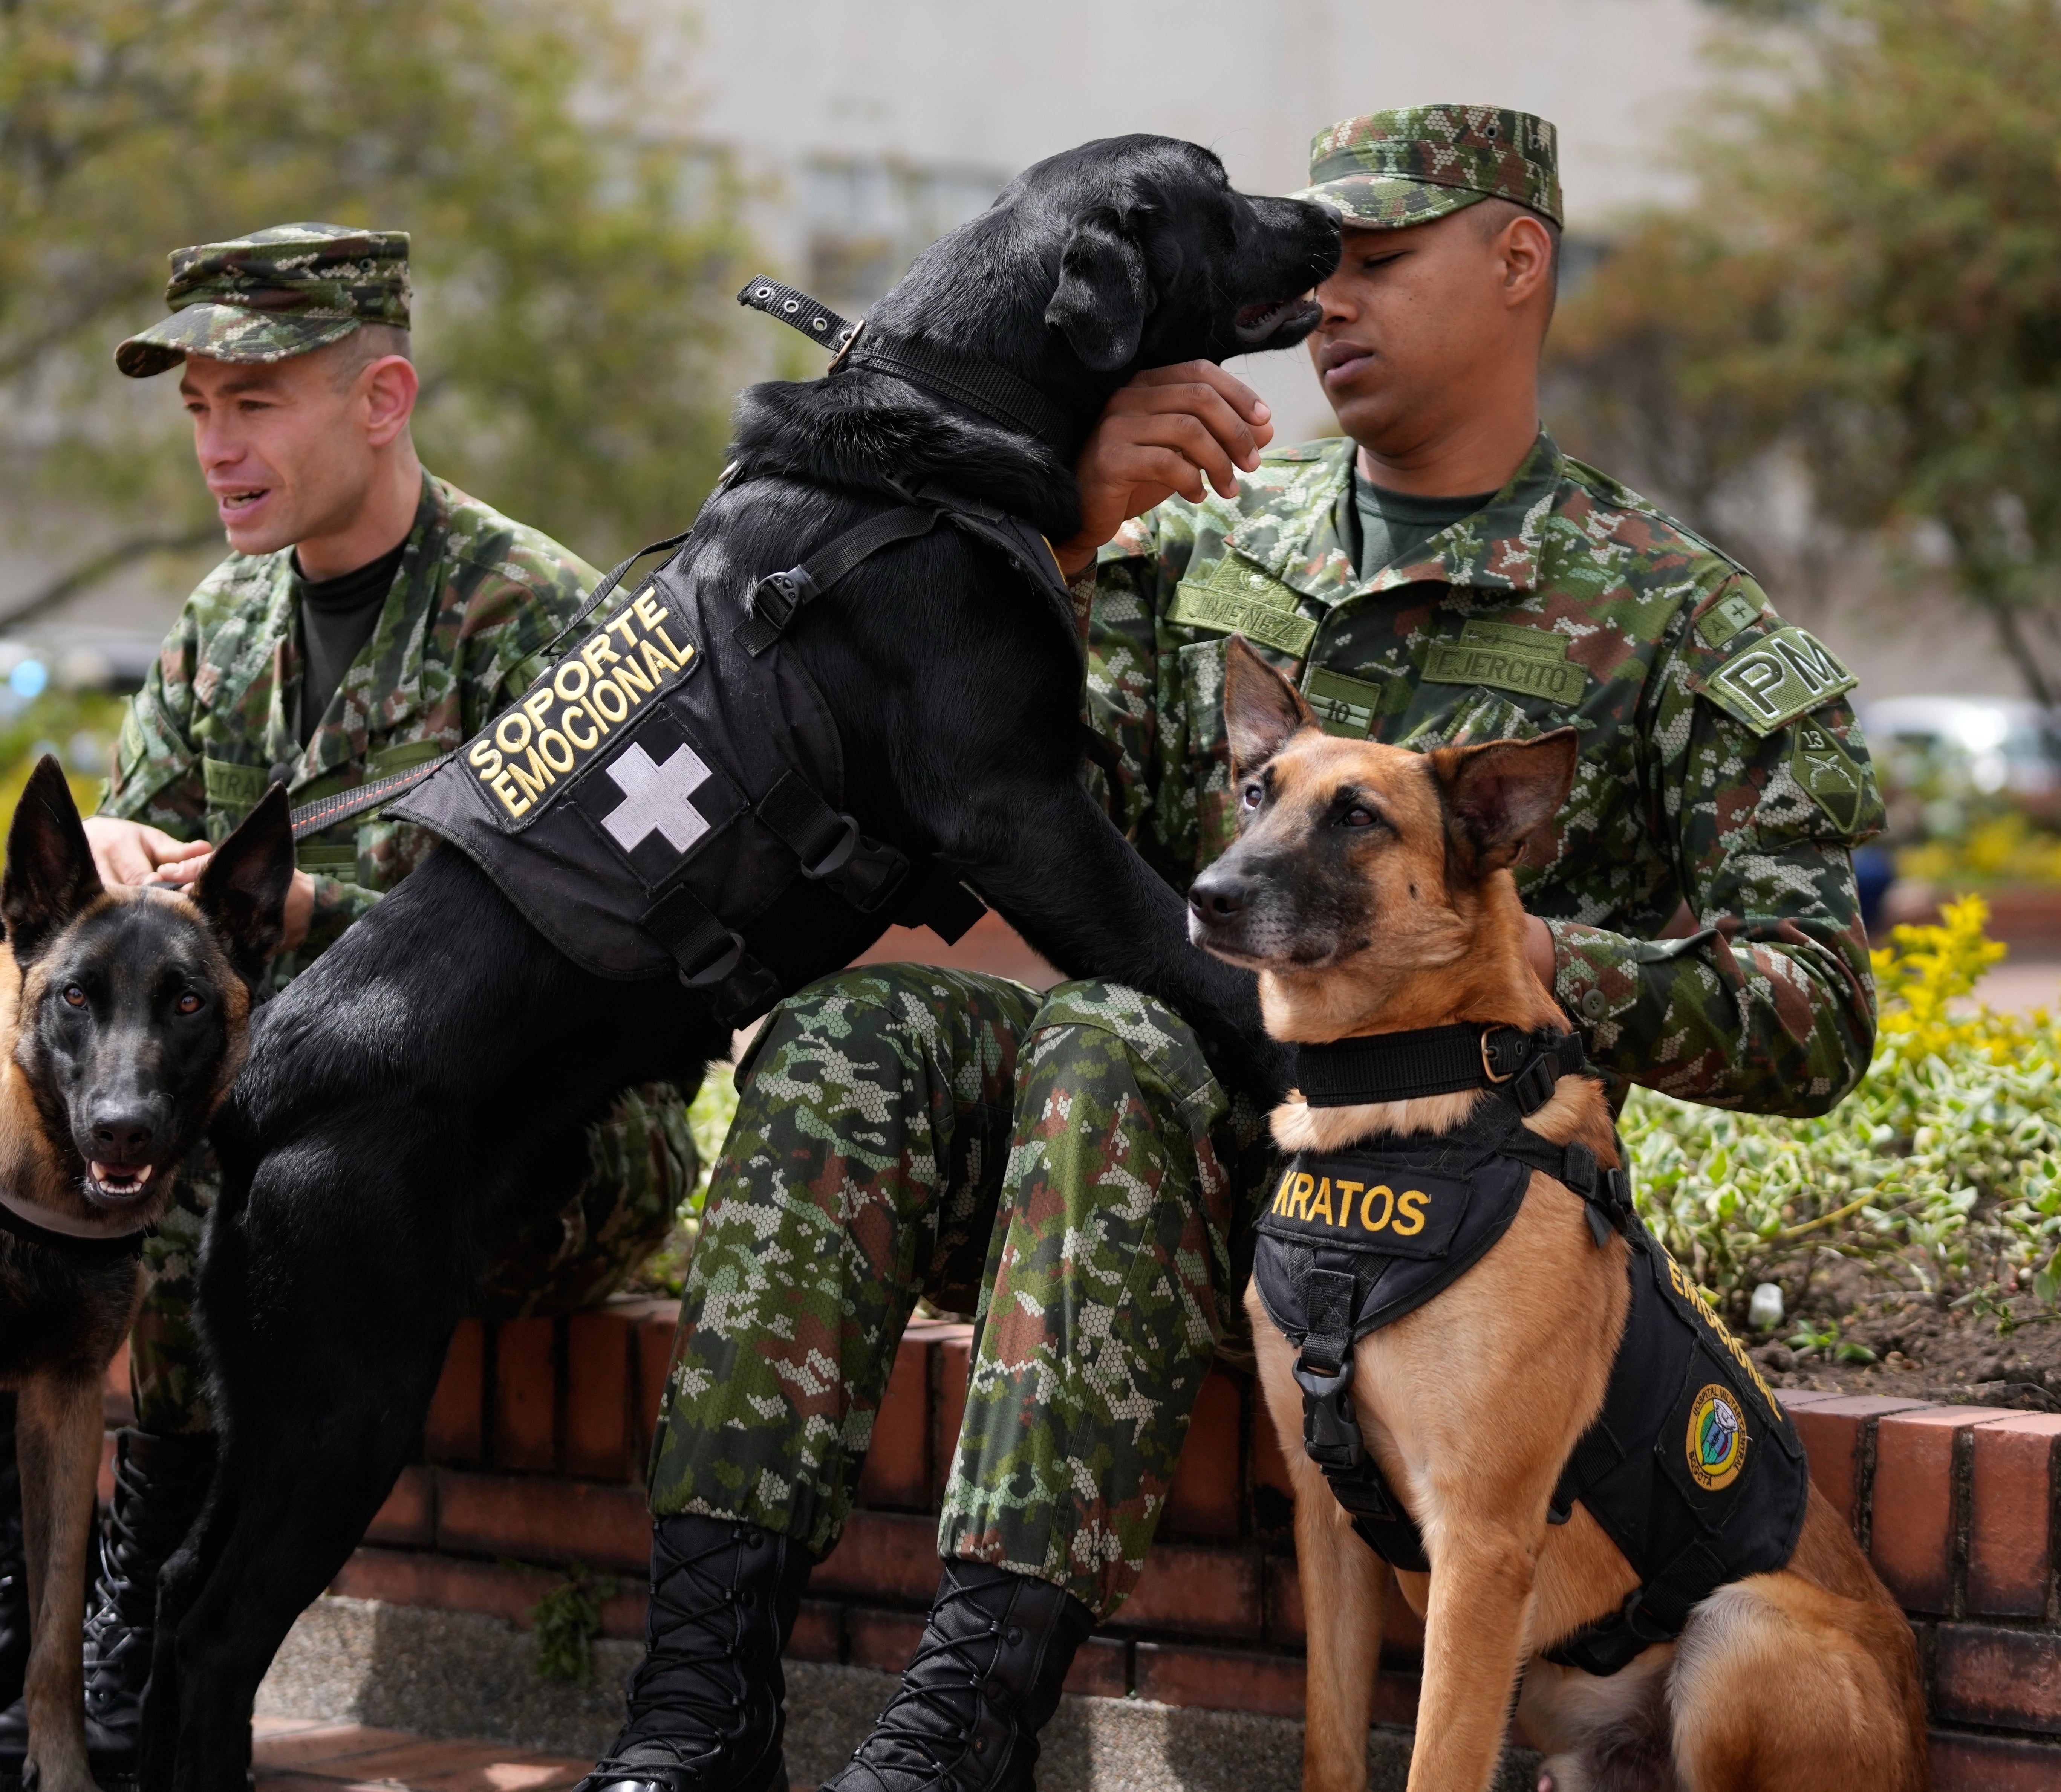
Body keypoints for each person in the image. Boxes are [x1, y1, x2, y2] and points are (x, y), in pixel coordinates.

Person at [578, 106, 1886, 1792]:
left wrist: (1517, 949)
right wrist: (1042, 529)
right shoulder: (1197, 532)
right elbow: (989, 801)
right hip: (1188, 1173)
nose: (1324, 302)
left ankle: (968, 1720)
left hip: (1443, 1229)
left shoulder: (1669, 616)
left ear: (1515, 262)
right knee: (859, 1038)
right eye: (1312, 269)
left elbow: (1816, 1006)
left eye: (1376, 262)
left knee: (1107, 1050)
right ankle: (697, 1699)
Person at [0, 223, 701, 1790]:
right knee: (22, 1140)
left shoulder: (549, 628)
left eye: (257, 404)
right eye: (198, 412)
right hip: (270, 1108)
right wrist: (102, 866)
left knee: (207, 1169)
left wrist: (315, 917)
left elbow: (611, 962)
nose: (217, 449)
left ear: (381, 398)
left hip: (535, 1131)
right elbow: (112, 965)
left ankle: (129, 1619)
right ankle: (41, 1597)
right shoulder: (218, 629)